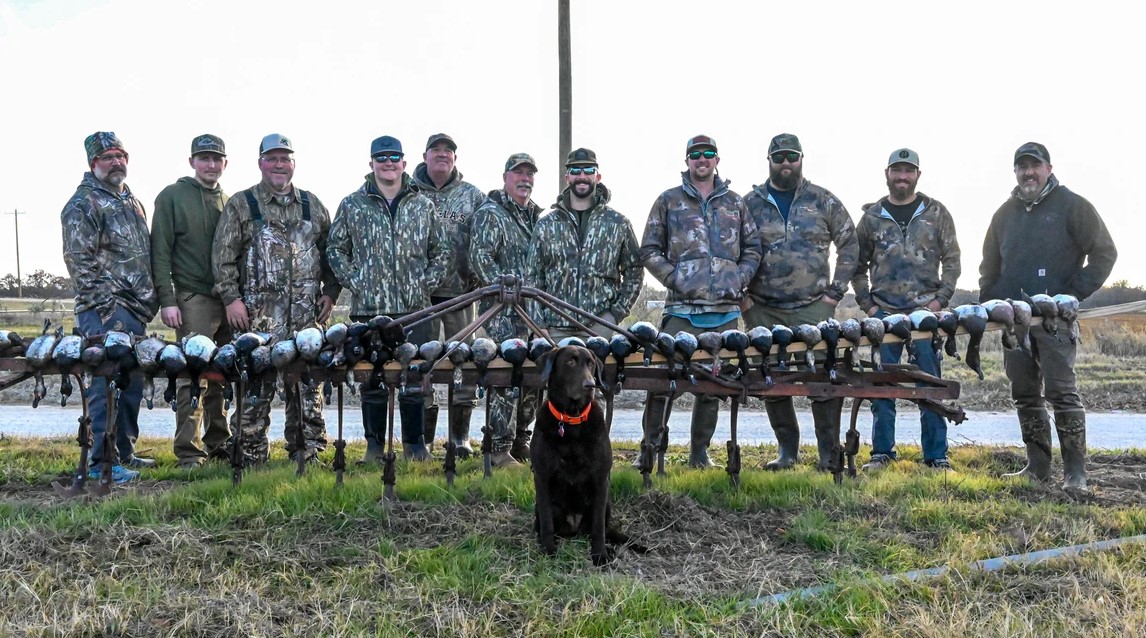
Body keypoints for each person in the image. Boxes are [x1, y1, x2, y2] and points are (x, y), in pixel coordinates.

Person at [979, 142, 1117, 489]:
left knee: (1062, 392)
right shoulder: (1003, 215)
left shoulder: (1073, 206)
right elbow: (989, 268)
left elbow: (1105, 253)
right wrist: (994, 305)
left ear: (1048, 169)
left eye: (1035, 166)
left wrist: (1072, 294)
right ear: (1015, 171)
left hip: (1055, 321)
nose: (1029, 173)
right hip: (1015, 322)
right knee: (1024, 393)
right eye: (1022, 167)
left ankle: (1075, 474)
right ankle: (1037, 468)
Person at [212, 134, 341, 465]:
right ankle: (249, 453)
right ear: (261, 163)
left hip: (306, 317)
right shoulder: (242, 204)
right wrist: (231, 299)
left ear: (293, 163)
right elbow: (223, 257)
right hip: (258, 318)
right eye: (272, 158)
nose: (279, 165)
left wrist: (330, 292)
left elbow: (332, 254)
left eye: (285, 158)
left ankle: (307, 452)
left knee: (307, 387)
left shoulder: (313, 205)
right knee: (255, 386)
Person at [639, 135, 761, 468]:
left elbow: (753, 248)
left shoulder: (735, 203)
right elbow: (649, 250)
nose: (701, 159)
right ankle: (649, 449)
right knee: (663, 384)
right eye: (695, 154)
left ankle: (699, 455)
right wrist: (676, 278)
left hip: (724, 312)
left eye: (708, 153)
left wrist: (739, 278)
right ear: (687, 161)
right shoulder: (668, 201)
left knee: (712, 387)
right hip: (682, 313)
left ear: (717, 160)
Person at [327, 135, 450, 462]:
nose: (388, 163)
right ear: (372, 163)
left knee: (415, 379)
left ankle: (415, 446)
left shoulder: (423, 205)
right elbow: (335, 249)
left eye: (394, 157)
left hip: (415, 311)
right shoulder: (352, 204)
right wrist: (356, 282)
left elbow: (441, 252)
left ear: (404, 163)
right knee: (372, 379)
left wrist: (425, 284)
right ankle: (373, 447)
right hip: (369, 311)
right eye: (381, 158)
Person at [742, 133, 858, 471]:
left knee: (824, 380)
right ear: (769, 161)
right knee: (773, 381)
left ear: (801, 159)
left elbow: (849, 244)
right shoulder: (749, 204)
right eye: (778, 157)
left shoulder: (823, 200)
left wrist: (835, 293)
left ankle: (828, 454)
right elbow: (729, 249)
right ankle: (787, 452)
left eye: (791, 156)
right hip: (763, 309)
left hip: (814, 308)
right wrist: (743, 299)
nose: (786, 163)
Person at [852, 148, 961, 471]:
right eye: (897, 171)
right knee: (882, 386)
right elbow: (856, 266)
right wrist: (869, 306)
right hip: (884, 316)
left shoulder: (936, 213)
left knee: (929, 385)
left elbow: (952, 260)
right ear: (887, 174)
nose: (903, 177)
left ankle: (936, 456)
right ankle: (882, 453)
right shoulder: (872, 217)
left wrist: (939, 302)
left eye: (908, 171)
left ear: (917, 175)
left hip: (925, 316)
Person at [61, 132, 160, 483]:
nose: (116, 162)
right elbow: (78, 260)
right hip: (105, 311)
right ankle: (101, 462)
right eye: (107, 157)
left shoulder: (130, 200)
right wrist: (106, 308)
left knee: (131, 382)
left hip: (135, 310)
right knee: (105, 386)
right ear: (93, 163)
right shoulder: (82, 203)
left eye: (120, 155)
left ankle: (124, 452)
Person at [151, 134, 232, 470]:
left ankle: (219, 443)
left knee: (222, 373)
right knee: (192, 375)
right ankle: (189, 451)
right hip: (192, 298)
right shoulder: (172, 196)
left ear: (225, 163)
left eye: (216, 159)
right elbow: (160, 252)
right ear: (192, 162)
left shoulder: (229, 201)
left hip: (226, 299)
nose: (210, 165)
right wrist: (168, 300)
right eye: (204, 158)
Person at [410, 133, 485, 457]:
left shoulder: (473, 196)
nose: (442, 155)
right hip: (419, 299)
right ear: (424, 157)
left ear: (455, 159)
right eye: (436, 150)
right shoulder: (408, 192)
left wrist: (478, 278)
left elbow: (485, 239)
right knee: (420, 364)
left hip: (460, 295)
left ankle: (459, 437)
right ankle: (423, 438)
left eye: (448, 151)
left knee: (463, 363)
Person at [469, 153, 544, 467]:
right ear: (505, 177)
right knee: (505, 375)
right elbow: (480, 258)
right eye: (518, 173)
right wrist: (508, 289)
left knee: (532, 376)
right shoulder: (491, 214)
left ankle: (520, 440)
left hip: (535, 313)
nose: (524, 179)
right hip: (502, 313)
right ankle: (498, 449)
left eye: (529, 173)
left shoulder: (538, 217)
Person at [527, 147, 642, 341]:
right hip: (555, 329)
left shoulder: (618, 223)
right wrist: (538, 324)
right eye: (575, 170)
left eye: (589, 170)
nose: (582, 176)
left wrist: (614, 315)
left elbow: (634, 270)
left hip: (599, 328)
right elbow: (532, 277)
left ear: (598, 177)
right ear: (567, 178)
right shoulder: (546, 224)